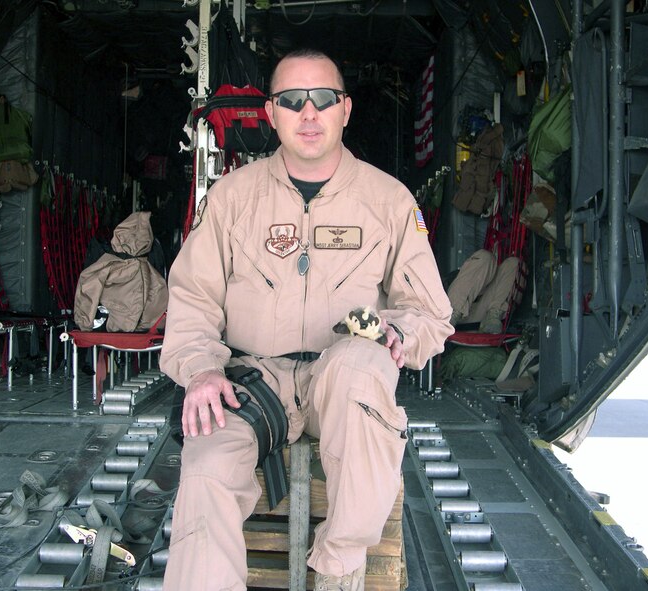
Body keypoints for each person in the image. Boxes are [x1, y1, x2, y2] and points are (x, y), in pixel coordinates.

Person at [159, 48, 454, 591]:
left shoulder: (389, 201)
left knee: (360, 365)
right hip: (256, 380)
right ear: (271, 114)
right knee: (205, 463)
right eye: (293, 101)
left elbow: (430, 314)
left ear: (346, 109)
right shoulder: (230, 199)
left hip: (339, 386)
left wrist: (399, 332)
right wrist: (201, 368)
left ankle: (339, 569)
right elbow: (193, 300)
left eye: (322, 99)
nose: (309, 113)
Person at [447, 249, 523, 333]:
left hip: (482, 318)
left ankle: (493, 317)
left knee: (513, 263)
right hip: (449, 311)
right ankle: (451, 314)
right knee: (485, 257)